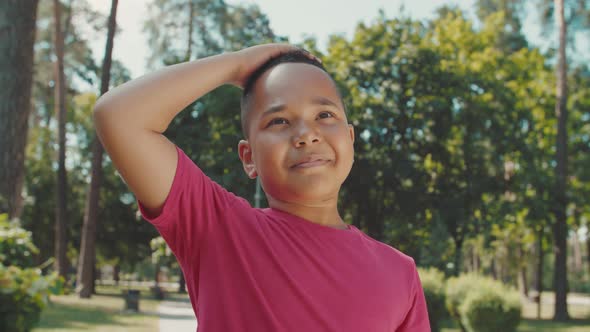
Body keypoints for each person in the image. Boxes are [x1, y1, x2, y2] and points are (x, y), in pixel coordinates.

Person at [94, 44, 430, 331]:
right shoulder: (218, 230)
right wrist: (237, 63)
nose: (306, 134)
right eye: (279, 121)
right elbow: (118, 116)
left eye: (324, 115)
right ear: (248, 156)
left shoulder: (400, 272)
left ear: (351, 140)